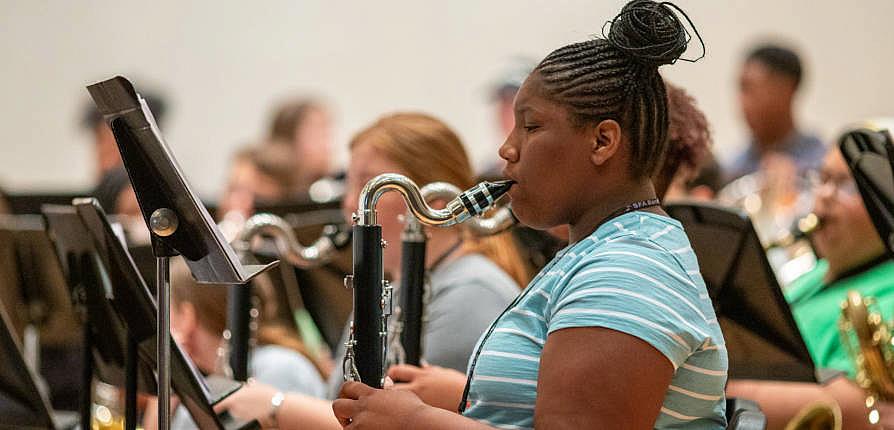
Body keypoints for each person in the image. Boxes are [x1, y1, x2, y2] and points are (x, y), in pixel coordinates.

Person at [333, 1, 726, 428]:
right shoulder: (605, 251)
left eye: (531, 127)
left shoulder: (627, 267)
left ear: (602, 142)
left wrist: (413, 422)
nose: (507, 149)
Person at [215, 112, 529, 428]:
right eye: (350, 184)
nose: (351, 203)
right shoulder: (393, 285)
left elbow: (382, 418)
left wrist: (275, 406)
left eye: (368, 186)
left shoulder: (472, 294)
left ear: (431, 198)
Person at [727, 143, 894, 429]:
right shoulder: (813, 273)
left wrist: (716, 387)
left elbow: (864, 406)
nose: (825, 195)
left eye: (849, 185)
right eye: (823, 179)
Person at [143, 259, 327, 429]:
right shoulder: (207, 383)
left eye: (167, 308)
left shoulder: (276, 366)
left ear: (186, 316)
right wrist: (169, 384)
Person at [726, 43, 824, 183]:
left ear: (786, 90)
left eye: (749, 88)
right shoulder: (731, 169)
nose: (742, 101)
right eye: (741, 89)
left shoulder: (821, 165)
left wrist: (797, 181)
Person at [268, 99, 335, 196]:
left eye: (326, 133)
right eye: (315, 133)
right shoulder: (263, 189)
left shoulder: (334, 187)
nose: (327, 145)